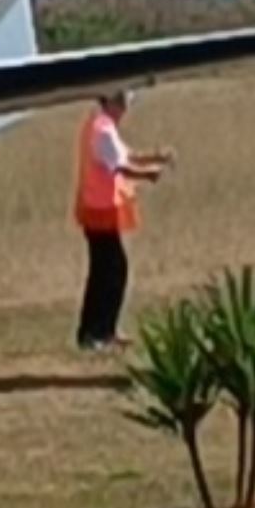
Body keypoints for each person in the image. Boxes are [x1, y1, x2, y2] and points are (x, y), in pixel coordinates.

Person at [74, 90, 174, 351]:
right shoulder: (103, 130)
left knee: (105, 269)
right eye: (123, 103)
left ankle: (99, 330)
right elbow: (118, 165)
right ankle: (99, 332)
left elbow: (124, 155)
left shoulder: (100, 125)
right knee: (112, 270)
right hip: (100, 209)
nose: (125, 109)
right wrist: (148, 174)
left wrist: (154, 157)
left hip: (98, 207)